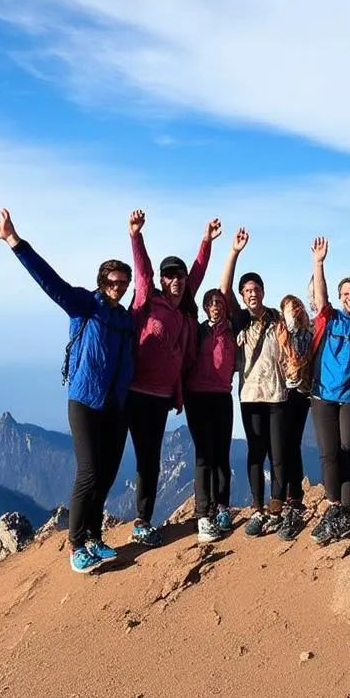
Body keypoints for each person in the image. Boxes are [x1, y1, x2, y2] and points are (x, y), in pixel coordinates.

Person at [0, 208, 135, 574]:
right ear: (102, 282)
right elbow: (49, 280)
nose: (119, 287)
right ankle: (75, 545)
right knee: (88, 472)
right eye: (113, 281)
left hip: (116, 407)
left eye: (124, 282)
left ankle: (94, 536)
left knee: (106, 474)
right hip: (85, 400)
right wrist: (14, 241)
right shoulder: (85, 304)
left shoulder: (124, 319)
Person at [126, 209, 220, 547]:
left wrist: (205, 241)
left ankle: (142, 521)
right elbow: (141, 272)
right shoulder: (147, 299)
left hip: (160, 397)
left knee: (149, 459)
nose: (176, 280)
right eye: (169, 276)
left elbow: (198, 271)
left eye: (179, 275)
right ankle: (90, 530)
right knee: (107, 460)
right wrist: (136, 236)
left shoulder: (184, 308)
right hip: (131, 392)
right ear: (162, 280)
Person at [219, 228, 292, 538]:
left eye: (255, 288)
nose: (251, 293)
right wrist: (234, 252)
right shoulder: (239, 320)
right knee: (255, 452)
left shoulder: (277, 317)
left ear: (263, 291)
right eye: (246, 290)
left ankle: (276, 508)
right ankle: (257, 509)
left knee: (278, 452)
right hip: (250, 396)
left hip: (277, 395)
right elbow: (223, 292)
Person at [308, 237, 350, 545]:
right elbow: (320, 297)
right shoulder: (328, 317)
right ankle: (334, 507)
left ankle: (347, 508)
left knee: (347, 452)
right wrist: (319, 263)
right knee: (328, 454)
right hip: (322, 395)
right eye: (344, 293)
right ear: (339, 296)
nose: (349, 297)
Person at [184, 288, 235, 543]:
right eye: (211, 302)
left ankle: (223, 508)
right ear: (205, 308)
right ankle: (203, 513)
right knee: (204, 456)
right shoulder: (197, 331)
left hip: (222, 396)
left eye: (219, 302)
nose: (216, 305)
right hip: (197, 397)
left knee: (222, 454)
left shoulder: (232, 330)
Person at [275, 294, 315, 540]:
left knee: (291, 443)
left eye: (297, 308)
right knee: (280, 444)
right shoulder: (278, 332)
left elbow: (302, 358)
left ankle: (294, 496)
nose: (295, 312)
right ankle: (280, 496)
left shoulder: (307, 334)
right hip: (278, 393)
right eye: (290, 309)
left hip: (301, 393)